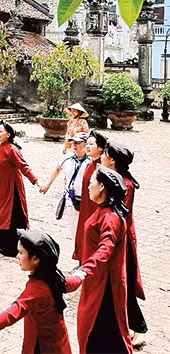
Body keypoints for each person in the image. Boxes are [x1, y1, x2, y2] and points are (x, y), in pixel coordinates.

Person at [64, 166, 132, 354]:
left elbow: (106, 248)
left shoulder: (110, 217)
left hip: (105, 284)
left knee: (99, 330)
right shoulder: (102, 211)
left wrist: (84, 270)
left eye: (92, 181)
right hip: (97, 278)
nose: (88, 185)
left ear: (102, 186)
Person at [0, 230, 73, 354]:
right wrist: (83, 272)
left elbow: (14, 311)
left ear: (35, 259)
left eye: (21, 253)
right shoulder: (53, 277)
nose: (17, 256)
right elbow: (72, 282)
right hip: (59, 343)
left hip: (43, 347)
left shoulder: (36, 289)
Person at [102, 140, 148, 343]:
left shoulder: (124, 184)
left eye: (104, 154)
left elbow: (118, 215)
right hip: (115, 237)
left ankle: (139, 328)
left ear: (112, 160)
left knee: (124, 284)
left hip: (122, 240)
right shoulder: (116, 178)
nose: (101, 156)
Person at [0, 122, 40, 257]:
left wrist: (35, 180)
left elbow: (23, 166)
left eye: (1, 131)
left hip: (12, 188)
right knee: (0, 213)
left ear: (8, 134)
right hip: (1, 187)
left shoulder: (12, 149)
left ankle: (11, 247)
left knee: (12, 216)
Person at [39, 132, 91, 247]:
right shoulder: (68, 157)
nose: (75, 145)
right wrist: (48, 184)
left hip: (88, 200)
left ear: (86, 144)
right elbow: (58, 169)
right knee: (75, 230)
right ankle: (80, 257)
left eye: (78, 143)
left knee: (88, 231)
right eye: (73, 143)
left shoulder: (91, 161)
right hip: (71, 199)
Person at [73, 130, 107, 261]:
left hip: (94, 208)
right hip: (85, 207)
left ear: (100, 148)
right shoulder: (90, 164)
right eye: (86, 144)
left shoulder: (102, 167)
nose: (87, 146)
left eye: (91, 144)